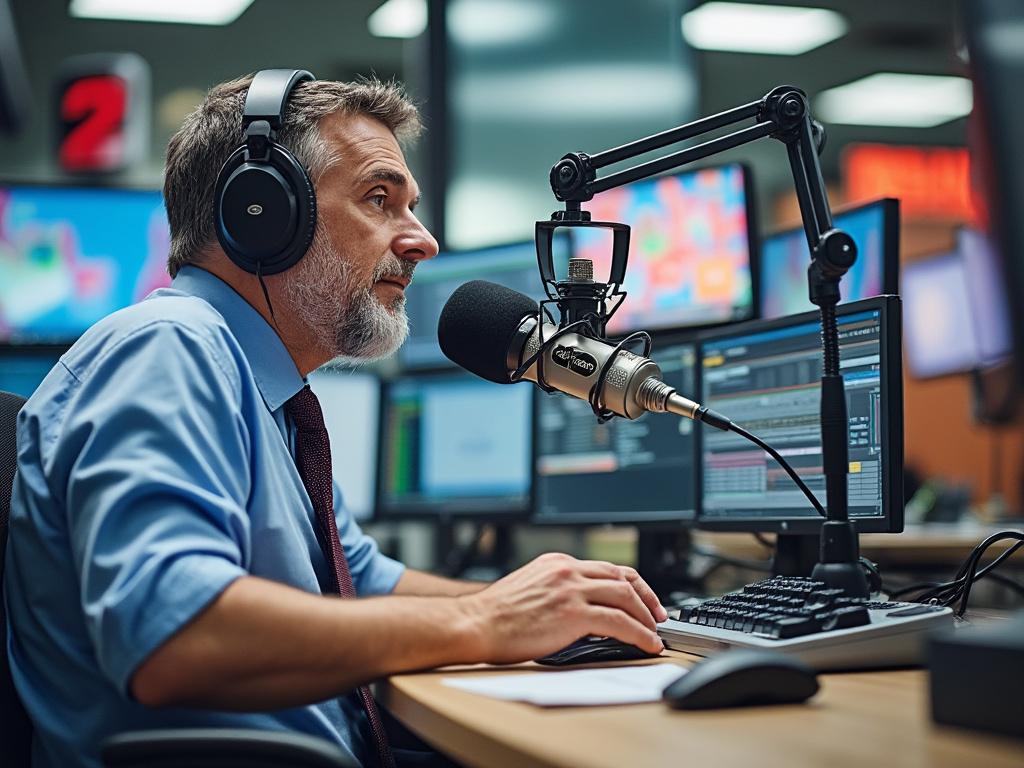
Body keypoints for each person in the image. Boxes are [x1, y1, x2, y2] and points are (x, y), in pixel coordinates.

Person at [3, 72, 667, 768]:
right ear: (262, 212)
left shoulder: (265, 394)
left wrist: (558, 609)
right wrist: (488, 620)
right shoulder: (168, 349)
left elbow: (363, 581)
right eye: (380, 200)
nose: (422, 241)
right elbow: (175, 636)